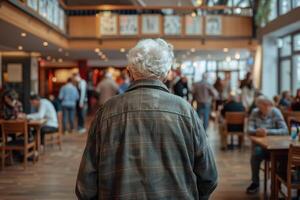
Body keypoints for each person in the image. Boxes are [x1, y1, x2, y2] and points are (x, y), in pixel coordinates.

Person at [76, 38, 218, 199]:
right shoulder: (185, 110)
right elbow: (209, 176)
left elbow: (85, 184)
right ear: (165, 73)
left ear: (130, 71)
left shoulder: (107, 111)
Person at [246, 96, 288, 194]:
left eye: (264, 107)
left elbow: (285, 130)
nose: (261, 109)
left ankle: (277, 183)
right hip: (261, 146)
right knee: (255, 154)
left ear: (269, 105)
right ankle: (255, 182)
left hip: (276, 146)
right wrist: (257, 131)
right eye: (260, 107)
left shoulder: (276, 112)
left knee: (285, 156)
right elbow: (248, 129)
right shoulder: (255, 112)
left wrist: (267, 131)